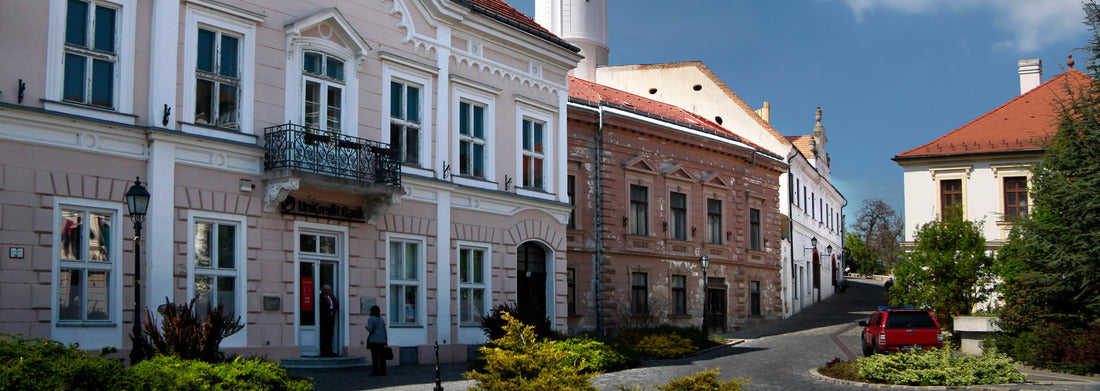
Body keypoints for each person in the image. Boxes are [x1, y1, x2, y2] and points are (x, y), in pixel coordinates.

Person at [366, 305, 388, 376]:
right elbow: (384, 331)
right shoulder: (381, 319)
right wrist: (385, 340)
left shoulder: (371, 319)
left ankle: (375, 371)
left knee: (374, 357)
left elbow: (370, 329)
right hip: (381, 341)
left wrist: (366, 327)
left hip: (374, 341)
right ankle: (383, 371)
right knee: (382, 357)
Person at [319, 284, 338, 357]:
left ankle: (330, 351)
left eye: (329, 290)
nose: (328, 292)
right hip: (323, 320)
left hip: (330, 320)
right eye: (326, 290)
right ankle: (324, 352)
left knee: (330, 336)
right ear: (323, 290)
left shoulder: (332, 297)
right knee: (324, 336)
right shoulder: (320, 297)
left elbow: (335, 305)